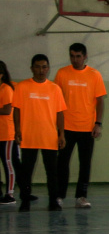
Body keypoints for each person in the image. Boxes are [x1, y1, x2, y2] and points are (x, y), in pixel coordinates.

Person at [53, 43, 107, 209]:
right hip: (66, 128)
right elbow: (56, 101)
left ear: (85, 57)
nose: (74, 59)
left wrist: (98, 124)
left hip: (87, 128)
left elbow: (100, 101)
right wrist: (57, 127)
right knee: (62, 163)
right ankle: (59, 196)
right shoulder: (62, 73)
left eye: (78, 56)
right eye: (72, 56)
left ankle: (81, 196)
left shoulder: (94, 75)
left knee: (85, 164)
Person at [13, 54, 66, 212]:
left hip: (49, 137)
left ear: (48, 69)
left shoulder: (55, 88)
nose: (41, 70)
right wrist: (17, 130)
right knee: (26, 171)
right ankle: (25, 200)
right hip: (29, 136)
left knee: (52, 172)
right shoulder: (22, 87)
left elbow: (60, 113)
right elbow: (17, 110)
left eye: (44, 67)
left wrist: (61, 134)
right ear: (31, 68)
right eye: (38, 66)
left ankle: (53, 201)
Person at [0, 61, 17, 205]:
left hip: (6, 134)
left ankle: (10, 194)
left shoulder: (6, 89)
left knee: (7, 162)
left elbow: (7, 110)